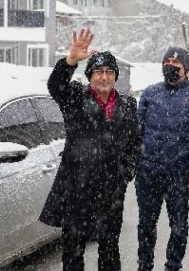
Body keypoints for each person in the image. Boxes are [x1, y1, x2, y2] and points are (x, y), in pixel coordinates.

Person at [39, 28, 142, 271]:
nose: (104, 77)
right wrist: (70, 61)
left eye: (109, 72)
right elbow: (55, 86)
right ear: (89, 76)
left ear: (115, 76)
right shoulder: (74, 96)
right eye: (98, 72)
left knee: (109, 247)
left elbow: (135, 142)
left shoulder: (127, 104)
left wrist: (126, 172)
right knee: (73, 248)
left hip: (111, 190)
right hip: (77, 186)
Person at [136, 46, 189, 271]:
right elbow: (137, 132)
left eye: (176, 63)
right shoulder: (150, 93)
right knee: (146, 225)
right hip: (148, 172)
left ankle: (173, 266)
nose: (171, 65)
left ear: (186, 68)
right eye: (167, 61)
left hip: (179, 175)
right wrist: (135, 165)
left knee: (178, 226)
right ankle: (144, 265)